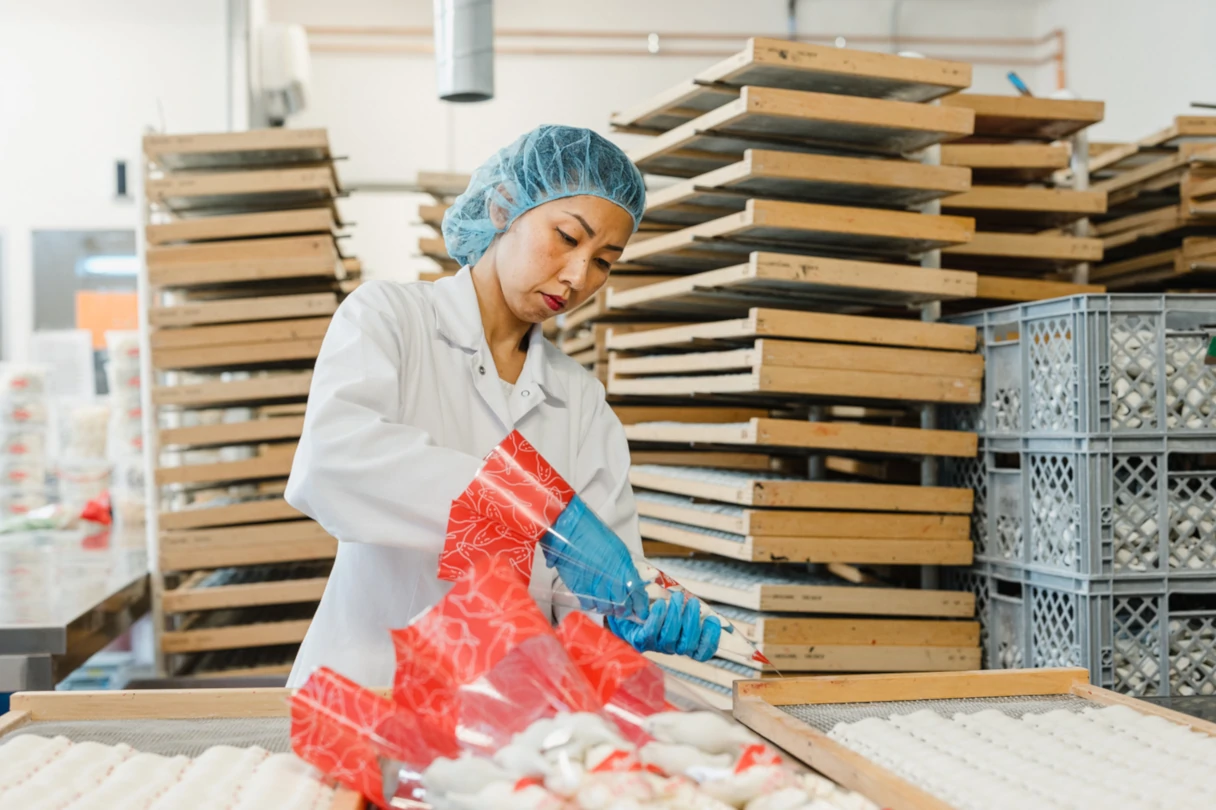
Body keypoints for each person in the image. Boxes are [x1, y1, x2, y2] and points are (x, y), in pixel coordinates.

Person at [284, 124, 721, 688]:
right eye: (567, 237)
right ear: (502, 206)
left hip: (509, 726)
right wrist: (536, 508)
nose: (577, 276)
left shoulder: (581, 402)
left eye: (604, 261)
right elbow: (331, 467)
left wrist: (620, 623)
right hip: (367, 693)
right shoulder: (391, 318)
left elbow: (586, 593)